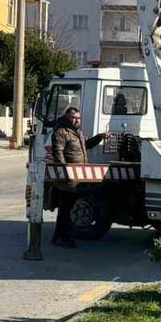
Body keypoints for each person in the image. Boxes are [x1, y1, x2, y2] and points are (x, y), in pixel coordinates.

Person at [49, 106, 106, 248]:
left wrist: (99, 137)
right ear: (67, 118)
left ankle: (60, 236)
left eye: (79, 118)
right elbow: (58, 153)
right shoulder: (61, 132)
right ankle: (61, 237)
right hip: (68, 179)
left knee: (68, 209)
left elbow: (85, 146)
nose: (77, 120)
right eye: (74, 118)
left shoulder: (77, 133)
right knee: (65, 210)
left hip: (78, 177)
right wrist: (65, 172)